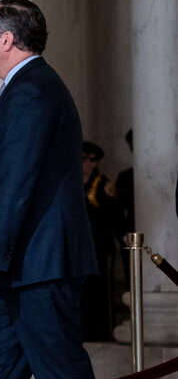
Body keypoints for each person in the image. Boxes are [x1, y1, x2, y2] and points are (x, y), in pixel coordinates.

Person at [0, 0, 108, 379]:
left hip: (39, 269)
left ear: (7, 39)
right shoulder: (28, 88)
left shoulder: (33, 90)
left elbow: (16, 183)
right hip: (22, 271)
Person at [80, 141, 118, 341]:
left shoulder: (103, 185)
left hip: (100, 246)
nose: (85, 163)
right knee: (82, 291)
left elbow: (113, 216)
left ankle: (103, 333)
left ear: (95, 163)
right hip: (80, 247)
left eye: (90, 159)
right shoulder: (73, 183)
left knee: (101, 291)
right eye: (82, 158)